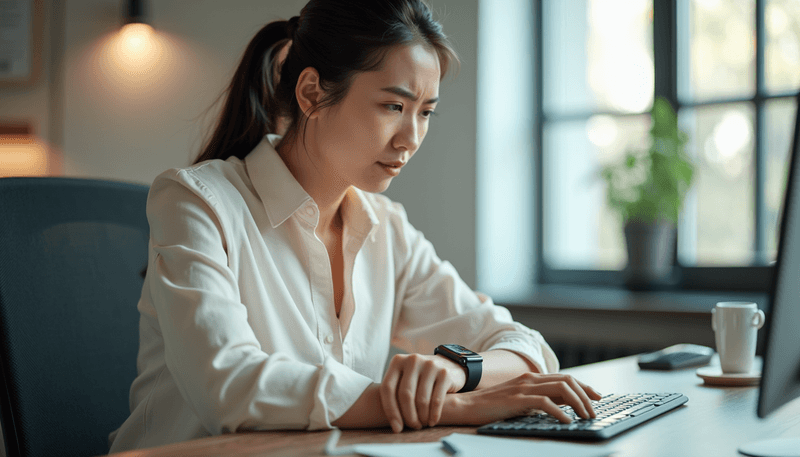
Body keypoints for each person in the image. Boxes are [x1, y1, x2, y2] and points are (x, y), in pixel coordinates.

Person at [108, 0, 601, 452]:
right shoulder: (196, 201)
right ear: (310, 93)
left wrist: (453, 372)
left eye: (424, 112)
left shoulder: (385, 227)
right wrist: (444, 407)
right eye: (393, 106)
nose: (410, 138)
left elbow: (525, 346)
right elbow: (230, 383)